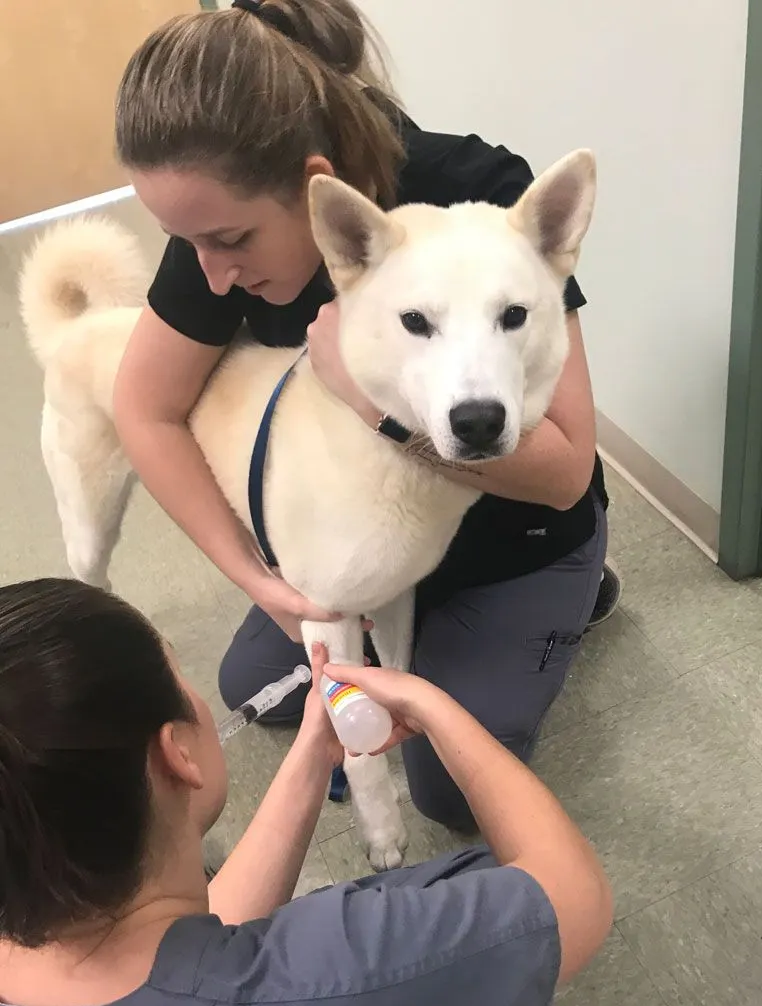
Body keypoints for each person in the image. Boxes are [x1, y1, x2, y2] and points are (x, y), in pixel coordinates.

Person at [111, 0, 620, 835]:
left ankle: (578, 593)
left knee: (450, 792)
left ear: (315, 189)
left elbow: (563, 472)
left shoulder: (479, 203)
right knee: (251, 685)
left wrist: (369, 401)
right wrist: (263, 582)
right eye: (187, 242)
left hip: (516, 537)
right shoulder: (216, 223)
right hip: (366, 531)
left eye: (230, 241)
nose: (210, 276)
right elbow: (145, 408)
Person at [0, 577, 613, 1006]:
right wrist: (432, 705)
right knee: (485, 880)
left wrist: (314, 750)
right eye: (177, 674)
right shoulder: (331, 971)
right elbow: (572, 895)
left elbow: (178, 976)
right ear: (177, 752)